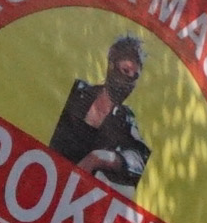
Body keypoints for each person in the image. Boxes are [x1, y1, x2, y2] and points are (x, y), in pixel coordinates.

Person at [48, 35, 152, 197]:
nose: (128, 80)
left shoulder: (124, 119)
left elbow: (140, 159)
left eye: (134, 77)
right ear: (111, 66)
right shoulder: (77, 92)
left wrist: (101, 157)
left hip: (71, 199)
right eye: (125, 71)